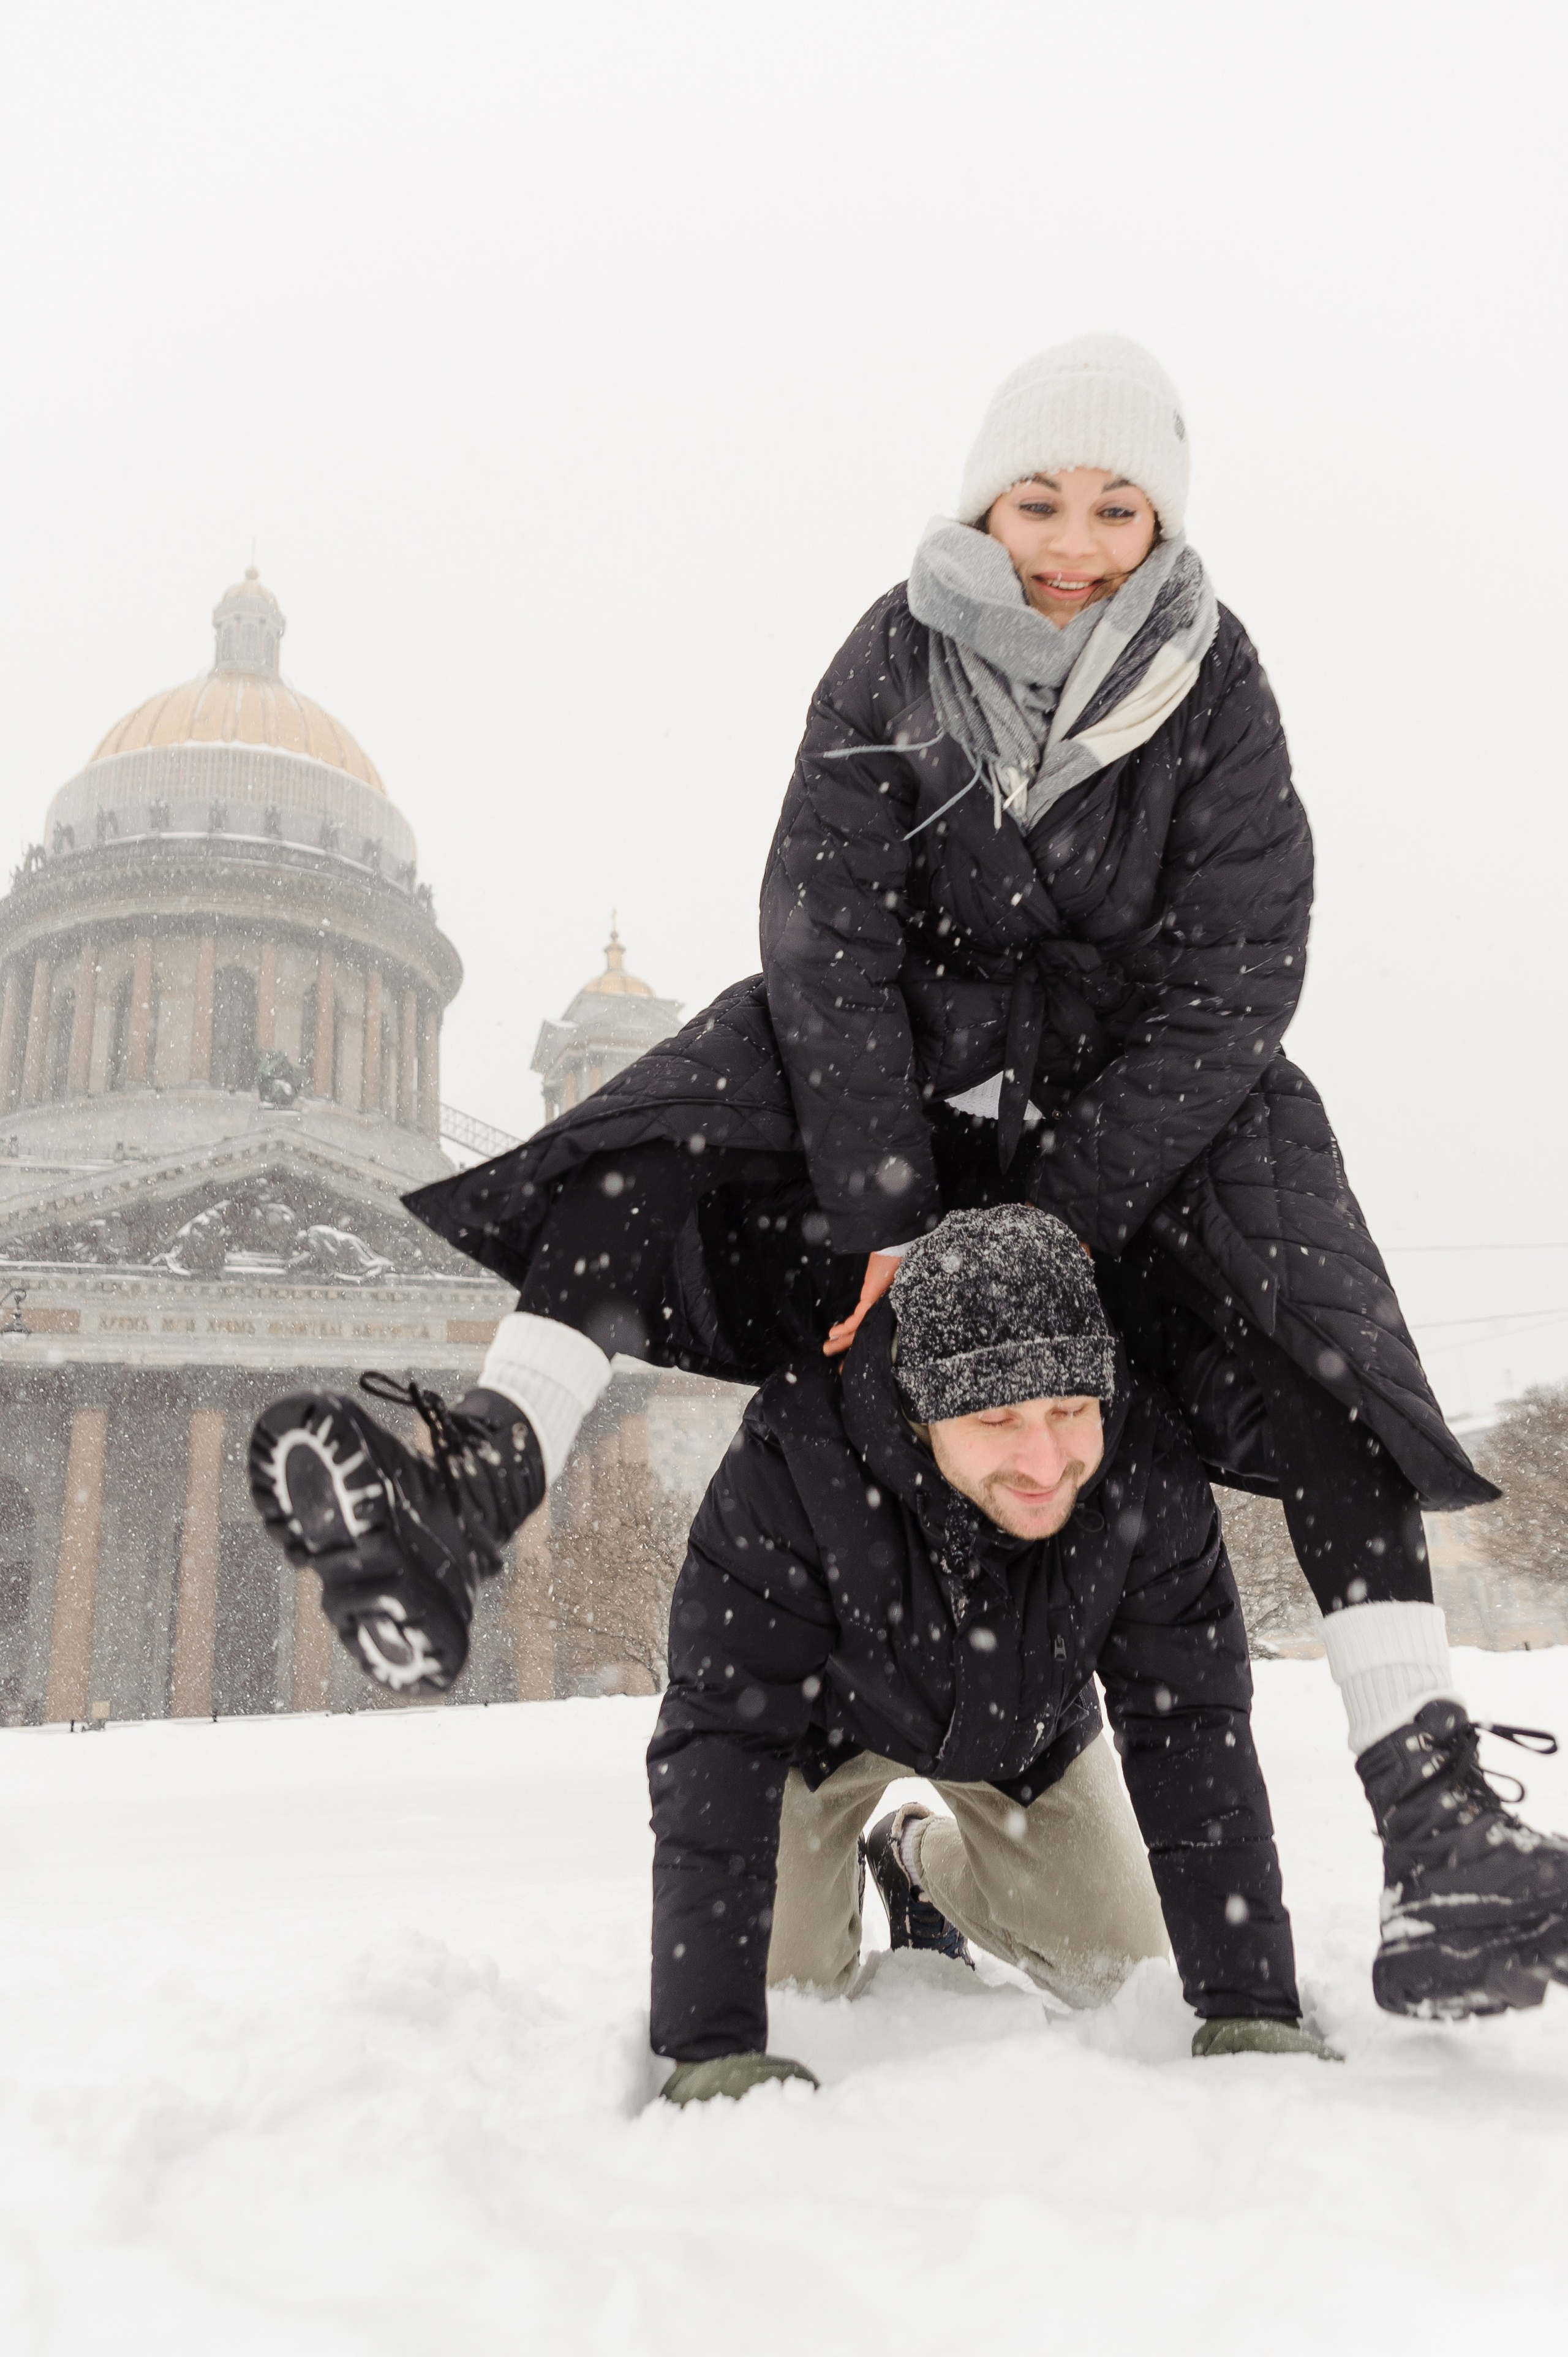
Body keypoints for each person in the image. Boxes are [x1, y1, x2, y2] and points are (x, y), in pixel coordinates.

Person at [247, 334, 1568, 2018]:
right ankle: (473, 1481)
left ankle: (1437, 1823)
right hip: (908, 1084)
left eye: (1117, 506)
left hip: (1141, 1121)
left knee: (1330, 1345)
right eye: (1039, 499)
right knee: (654, 1132)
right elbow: (824, 924)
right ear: (983, 502)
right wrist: (881, 1200)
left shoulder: (1215, 681)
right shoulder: (894, 654)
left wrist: (1059, 1222)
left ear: (1164, 524)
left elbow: (1239, 968)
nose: (1074, 540)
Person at [652, 1204, 1338, 2102]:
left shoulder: (1146, 1467)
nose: (1045, 1460)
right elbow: (717, 1738)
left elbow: (1194, 1725)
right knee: (784, 1999)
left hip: (1021, 1733)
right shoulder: (792, 1460)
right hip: (815, 1739)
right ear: (919, 1406)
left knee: (1122, 1971)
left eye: (1068, 1407)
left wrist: (1249, 2003)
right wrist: (710, 2038)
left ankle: (915, 1862)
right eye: (998, 1417)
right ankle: (823, 1898)